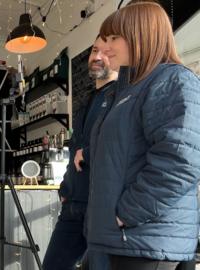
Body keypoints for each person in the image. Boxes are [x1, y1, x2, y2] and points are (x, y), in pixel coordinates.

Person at [87, 2, 200, 270]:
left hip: (147, 240)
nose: (106, 47)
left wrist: (128, 213)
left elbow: (181, 161)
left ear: (141, 35)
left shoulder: (172, 81)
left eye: (114, 38)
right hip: (128, 239)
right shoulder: (125, 91)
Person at [42, 36, 118, 270]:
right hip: (73, 206)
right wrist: (65, 187)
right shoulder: (86, 101)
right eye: (95, 50)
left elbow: (119, 148)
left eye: (106, 52)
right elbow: (74, 150)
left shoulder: (122, 97)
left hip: (102, 209)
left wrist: (88, 153)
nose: (97, 57)